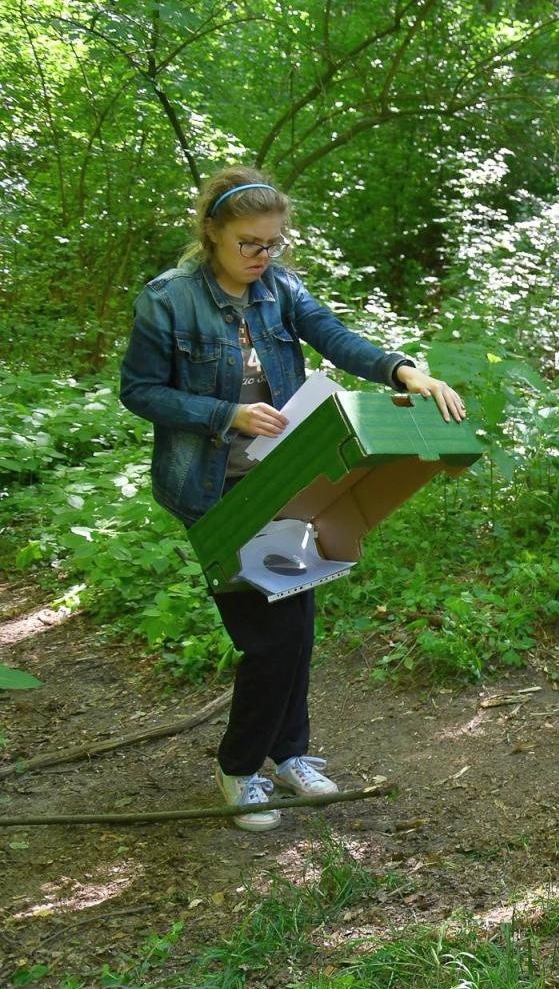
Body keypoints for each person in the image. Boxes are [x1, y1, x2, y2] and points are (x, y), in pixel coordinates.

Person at [120, 168, 465, 832]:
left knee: (296, 623)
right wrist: (227, 414)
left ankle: (290, 753)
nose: (262, 257)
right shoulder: (167, 300)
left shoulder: (280, 289)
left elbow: (335, 337)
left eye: (273, 243)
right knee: (269, 639)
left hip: (287, 477)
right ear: (212, 233)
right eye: (249, 243)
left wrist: (405, 371)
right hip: (211, 488)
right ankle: (240, 768)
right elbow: (140, 391)